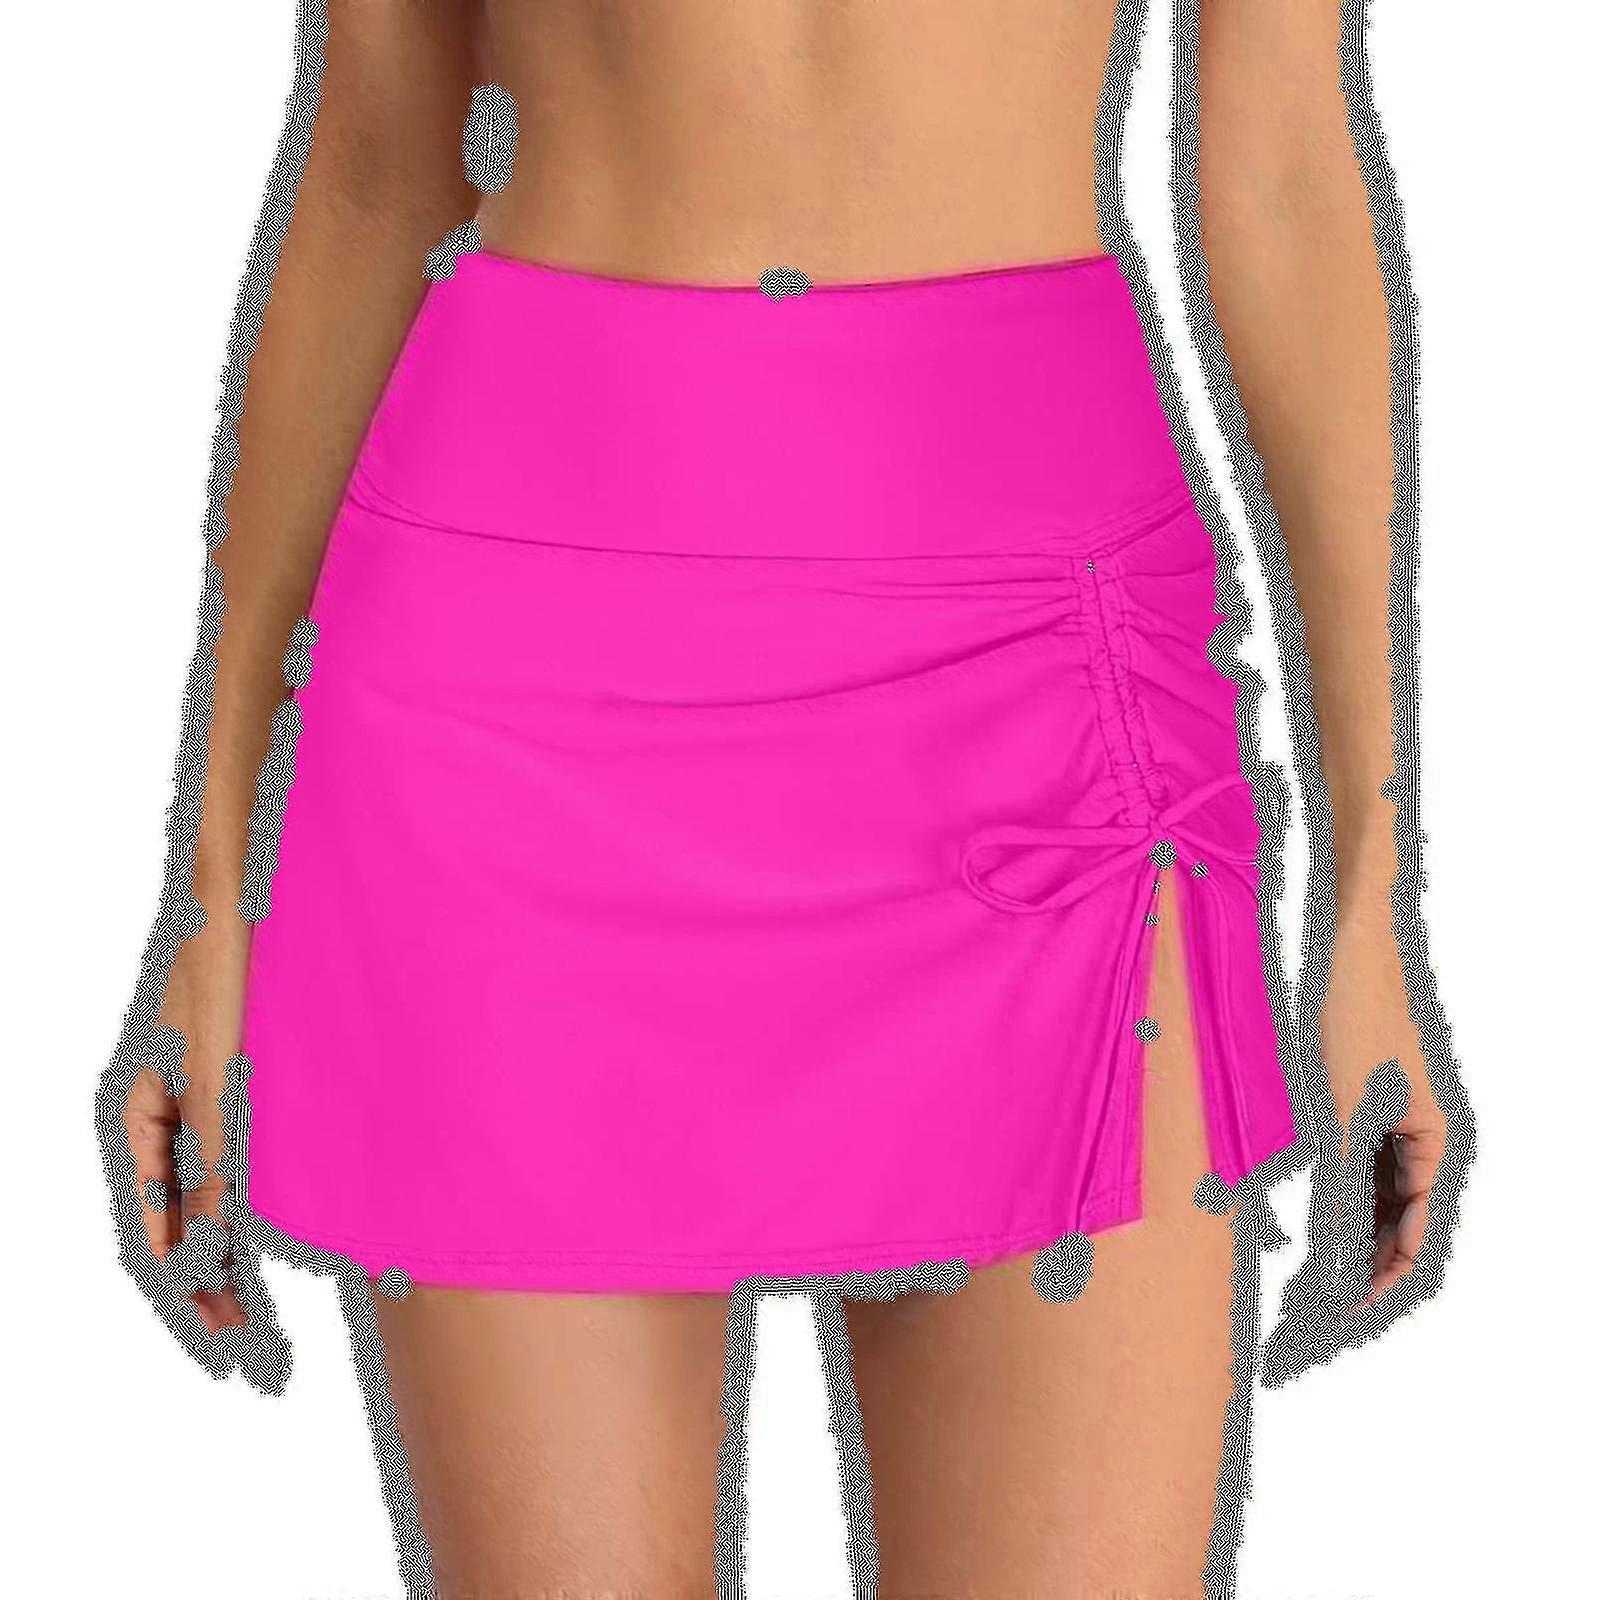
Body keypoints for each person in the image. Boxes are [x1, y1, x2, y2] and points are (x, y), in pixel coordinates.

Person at [120, 2, 1446, 1594]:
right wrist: (211, 882)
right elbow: (370, 165)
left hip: (1049, 678)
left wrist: (1372, 895)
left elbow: (1286, 171)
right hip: (519, 696)